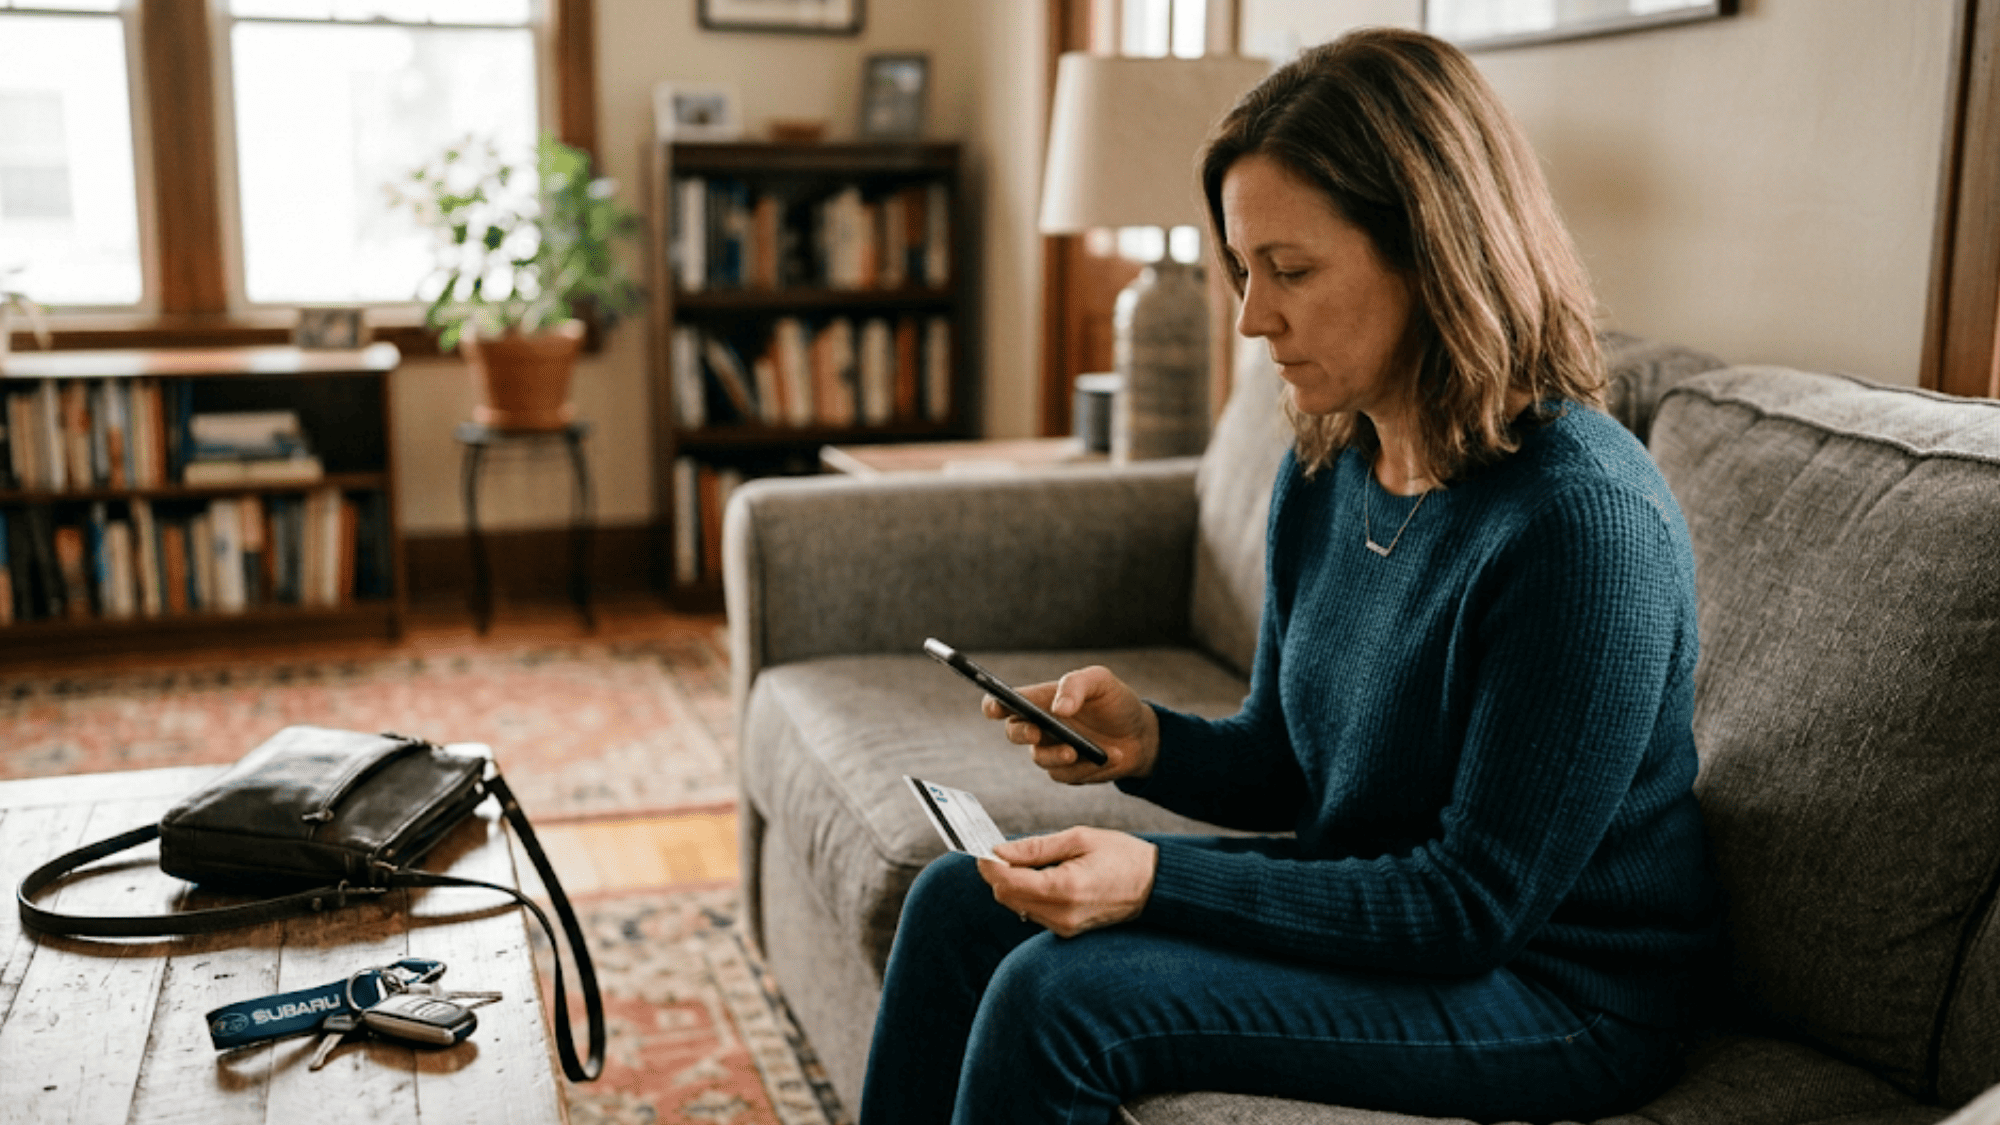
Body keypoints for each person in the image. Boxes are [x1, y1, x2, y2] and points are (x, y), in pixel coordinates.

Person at [857, 26, 1721, 1125]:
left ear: (1430, 253)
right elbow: (1290, 761)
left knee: (1060, 998)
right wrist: (1148, 743)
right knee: (957, 902)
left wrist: (1155, 878)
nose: (1250, 317)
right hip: (1398, 904)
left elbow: (1471, 904)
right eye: (1242, 267)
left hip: (1557, 991)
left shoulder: (1578, 525)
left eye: (1290, 270)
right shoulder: (1330, 460)